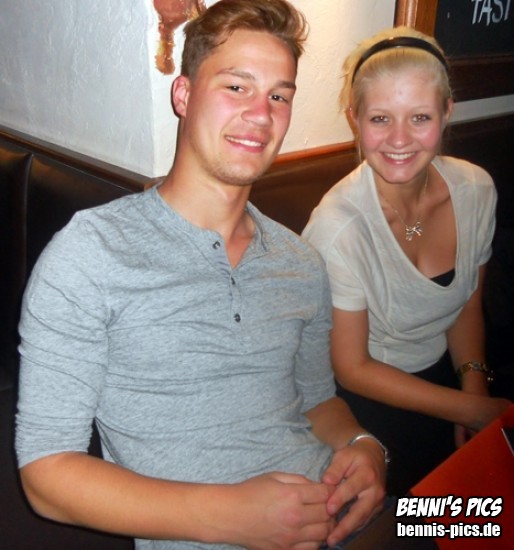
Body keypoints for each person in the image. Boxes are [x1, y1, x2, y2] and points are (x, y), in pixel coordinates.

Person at [15, 1, 387, 548]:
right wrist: (236, 516)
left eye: (278, 96)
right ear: (183, 96)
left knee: (481, 518)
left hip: (341, 519)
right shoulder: (91, 254)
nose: (261, 115)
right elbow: (46, 474)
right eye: (237, 87)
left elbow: (316, 401)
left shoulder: (301, 261)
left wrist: (364, 446)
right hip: (208, 536)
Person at [303, 25, 512, 496]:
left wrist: (473, 385)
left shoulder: (476, 189)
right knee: (429, 520)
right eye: (380, 118)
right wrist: (471, 410)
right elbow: (352, 367)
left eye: (420, 117)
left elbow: (466, 305)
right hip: (370, 398)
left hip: (449, 374)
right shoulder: (337, 229)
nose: (399, 139)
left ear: (447, 112)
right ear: (355, 118)